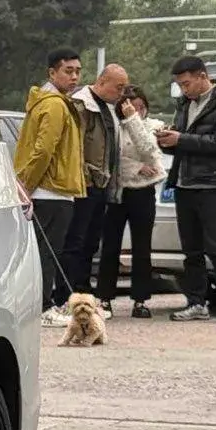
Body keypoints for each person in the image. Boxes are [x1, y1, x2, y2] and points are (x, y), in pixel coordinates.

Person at [157, 56, 216, 324]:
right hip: (184, 183)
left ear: (202, 76)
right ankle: (196, 302)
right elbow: (183, 142)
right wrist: (166, 140)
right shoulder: (184, 105)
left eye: (186, 84)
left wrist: (181, 139)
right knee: (191, 250)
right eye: (179, 85)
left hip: (212, 183)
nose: (183, 90)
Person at [13, 48, 86, 325]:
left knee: (44, 251)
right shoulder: (55, 104)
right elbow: (44, 150)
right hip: (50, 191)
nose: (75, 76)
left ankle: (41, 305)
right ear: (52, 72)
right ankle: (43, 307)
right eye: (68, 71)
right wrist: (26, 186)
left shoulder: (51, 102)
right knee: (46, 252)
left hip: (51, 190)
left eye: (78, 71)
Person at [64, 63, 128, 312]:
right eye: (118, 87)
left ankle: (84, 292)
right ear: (102, 82)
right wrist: (86, 173)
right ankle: (70, 292)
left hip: (103, 185)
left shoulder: (109, 108)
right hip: (84, 184)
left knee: (92, 242)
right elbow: (75, 145)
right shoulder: (82, 105)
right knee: (77, 241)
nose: (121, 93)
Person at [98, 84, 165, 317]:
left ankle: (141, 300)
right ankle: (104, 298)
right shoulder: (114, 128)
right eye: (130, 107)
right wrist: (136, 166)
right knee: (110, 247)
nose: (136, 111)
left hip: (143, 193)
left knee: (141, 247)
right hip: (117, 191)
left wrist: (133, 120)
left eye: (140, 107)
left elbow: (150, 152)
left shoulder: (152, 126)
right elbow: (113, 161)